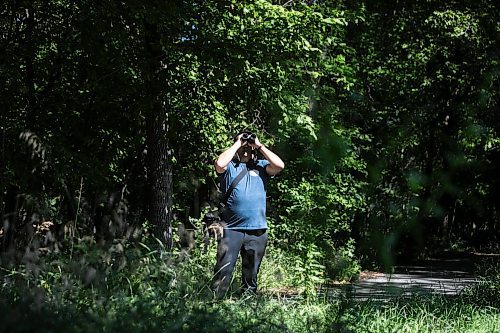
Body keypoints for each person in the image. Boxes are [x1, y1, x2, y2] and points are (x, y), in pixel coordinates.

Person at [212, 131, 285, 298]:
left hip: (257, 230)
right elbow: (219, 163)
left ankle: (248, 305)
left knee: (251, 275)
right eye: (242, 146)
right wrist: (238, 142)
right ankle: (216, 306)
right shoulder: (231, 167)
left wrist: (258, 145)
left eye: (248, 146)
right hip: (231, 229)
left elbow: (280, 166)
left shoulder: (262, 166)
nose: (246, 149)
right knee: (223, 271)